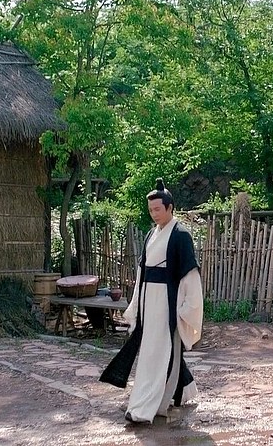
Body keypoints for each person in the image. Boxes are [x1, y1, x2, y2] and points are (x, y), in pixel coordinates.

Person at [100, 178, 203, 423]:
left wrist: (187, 308)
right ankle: (179, 391)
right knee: (152, 352)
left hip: (167, 305)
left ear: (170, 208)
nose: (154, 214)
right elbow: (142, 273)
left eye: (158, 209)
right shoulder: (150, 235)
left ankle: (144, 407)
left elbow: (190, 275)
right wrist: (137, 305)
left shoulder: (181, 236)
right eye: (151, 210)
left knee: (158, 354)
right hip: (149, 304)